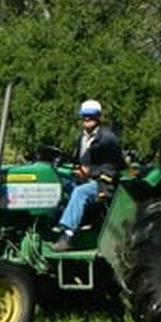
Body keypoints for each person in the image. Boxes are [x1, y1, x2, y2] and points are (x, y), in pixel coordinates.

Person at [53, 98, 123, 252]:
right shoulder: (82, 137)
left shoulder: (108, 139)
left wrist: (89, 172)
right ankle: (52, 225)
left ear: (99, 117)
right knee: (58, 183)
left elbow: (113, 168)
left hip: (104, 184)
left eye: (91, 115)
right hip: (85, 179)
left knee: (80, 192)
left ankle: (67, 236)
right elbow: (79, 161)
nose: (87, 118)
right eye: (84, 115)